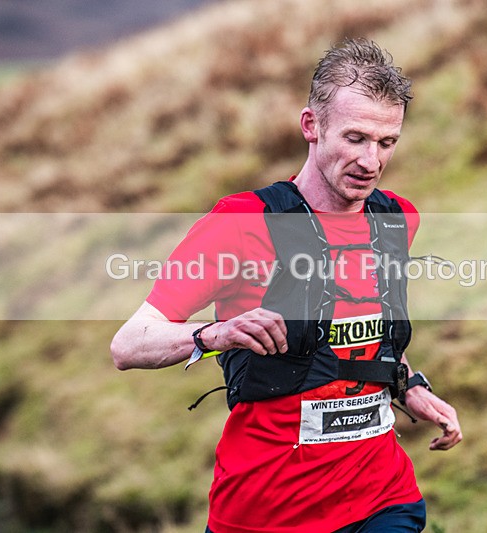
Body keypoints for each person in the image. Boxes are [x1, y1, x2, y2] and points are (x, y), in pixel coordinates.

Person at [111, 38, 462, 533]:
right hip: (266, 510)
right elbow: (127, 345)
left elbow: (367, 331)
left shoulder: (397, 218)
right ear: (311, 126)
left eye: (387, 143)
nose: (371, 162)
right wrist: (215, 335)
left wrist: (410, 387)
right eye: (356, 138)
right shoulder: (240, 222)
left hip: (383, 499)